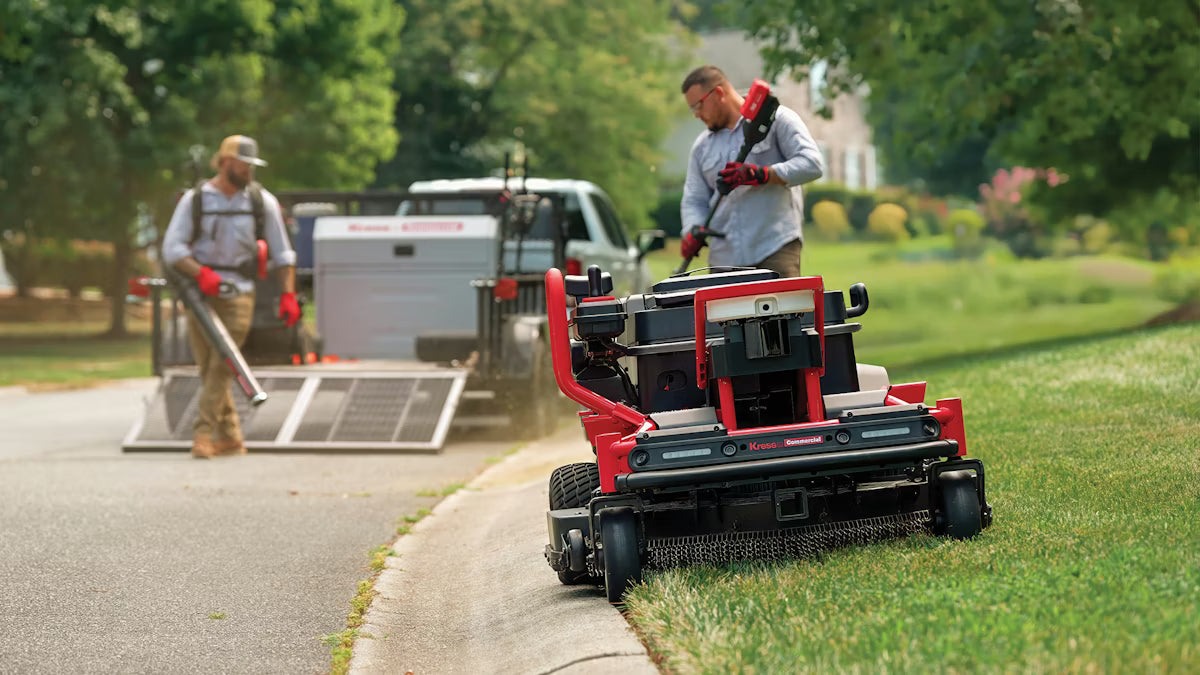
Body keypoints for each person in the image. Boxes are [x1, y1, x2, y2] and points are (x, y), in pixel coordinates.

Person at [161, 134, 299, 459]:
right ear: (225, 163)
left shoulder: (259, 201)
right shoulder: (196, 200)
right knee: (208, 365)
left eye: (252, 165)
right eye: (243, 164)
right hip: (200, 293)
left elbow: (283, 255)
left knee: (224, 362)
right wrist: (201, 274)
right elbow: (172, 249)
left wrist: (288, 296)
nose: (249, 171)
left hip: (240, 291)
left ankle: (203, 434)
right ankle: (232, 437)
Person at [680, 65, 825, 277]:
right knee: (726, 312)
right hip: (724, 258)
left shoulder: (775, 119)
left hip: (774, 247)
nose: (697, 115)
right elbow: (694, 198)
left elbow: (812, 164)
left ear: (719, 93)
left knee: (783, 310)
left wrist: (762, 175)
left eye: (698, 106)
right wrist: (692, 230)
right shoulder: (702, 147)